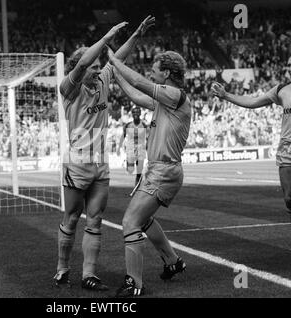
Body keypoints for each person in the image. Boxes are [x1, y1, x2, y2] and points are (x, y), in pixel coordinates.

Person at [55, 16, 155, 291]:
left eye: (100, 67)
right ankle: (63, 267)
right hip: (77, 163)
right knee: (72, 218)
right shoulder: (69, 88)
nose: (98, 71)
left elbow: (117, 60)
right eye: (93, 67)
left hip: (100, 163)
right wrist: (106, 37)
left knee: (95, 220)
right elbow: (86, 61)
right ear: (79, 68)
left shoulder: (101, 80)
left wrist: (135, 35)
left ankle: (89, 274)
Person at [211, 49, 291, 250]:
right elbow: (253, 102)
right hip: (286, 149)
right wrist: (226, 95)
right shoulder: (282, 89)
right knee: (290, 199)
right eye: (289, 65)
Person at [107, 48, 190, 297]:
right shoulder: (165, 99)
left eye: (154, 69)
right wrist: (114, 73)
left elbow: (138, 82)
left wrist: (114, 61)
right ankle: (172, 261)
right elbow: (134, 93)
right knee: (141, 220)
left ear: (166, 73)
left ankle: (135, 283)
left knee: (130, 222)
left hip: (164, 171)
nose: (150, 73)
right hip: (159, 169)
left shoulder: (174, 94)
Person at [117, 107, 148, 187]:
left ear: (140, 114)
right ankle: (128, 163)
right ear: (132, 114)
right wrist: (118, 147)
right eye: (134, 112)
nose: (136, 114)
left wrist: (149, 146)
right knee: (130, 170)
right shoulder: (128, 125)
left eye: (137, 112)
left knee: (139, 171)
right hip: (131, 149)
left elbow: (149, 137)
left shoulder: (144, 125)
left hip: (140, 149)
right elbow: (123, 136)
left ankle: (137, 187)